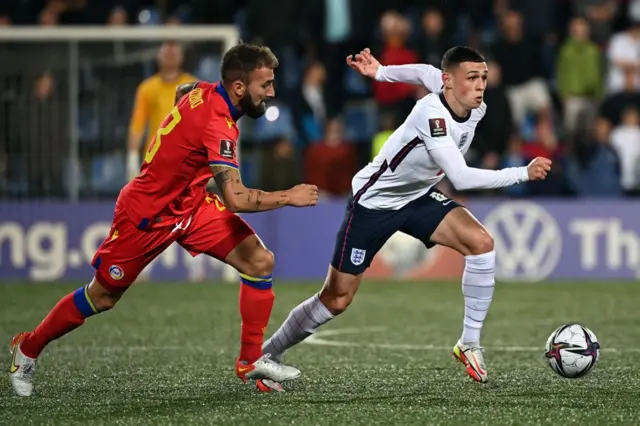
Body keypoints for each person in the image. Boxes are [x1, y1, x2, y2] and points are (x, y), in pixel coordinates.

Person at [9, 43, 319, 397]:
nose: (271, 92)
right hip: (146, 215)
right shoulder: (218, 125)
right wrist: (289, 196)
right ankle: (28, 348)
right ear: (238, 88)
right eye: (264, 85)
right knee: (103, 296)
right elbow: (236, 199)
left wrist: (180, 154)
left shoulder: (202, 90)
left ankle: (251, 362)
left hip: (190, 206)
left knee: (259, 261)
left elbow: (182, 93)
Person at [262, 47, 551, 384]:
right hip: (374, 203)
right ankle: (269, 353)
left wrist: (382, 72)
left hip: (416, 197)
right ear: (450, 82)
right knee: (337, 298)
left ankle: (469, 343)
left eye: (483, 77)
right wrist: (522, 174)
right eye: (472, 77)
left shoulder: (471, 104)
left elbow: (423, 72)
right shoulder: (432, 114)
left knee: (481, 243)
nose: (480, 85)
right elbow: (460, 178)